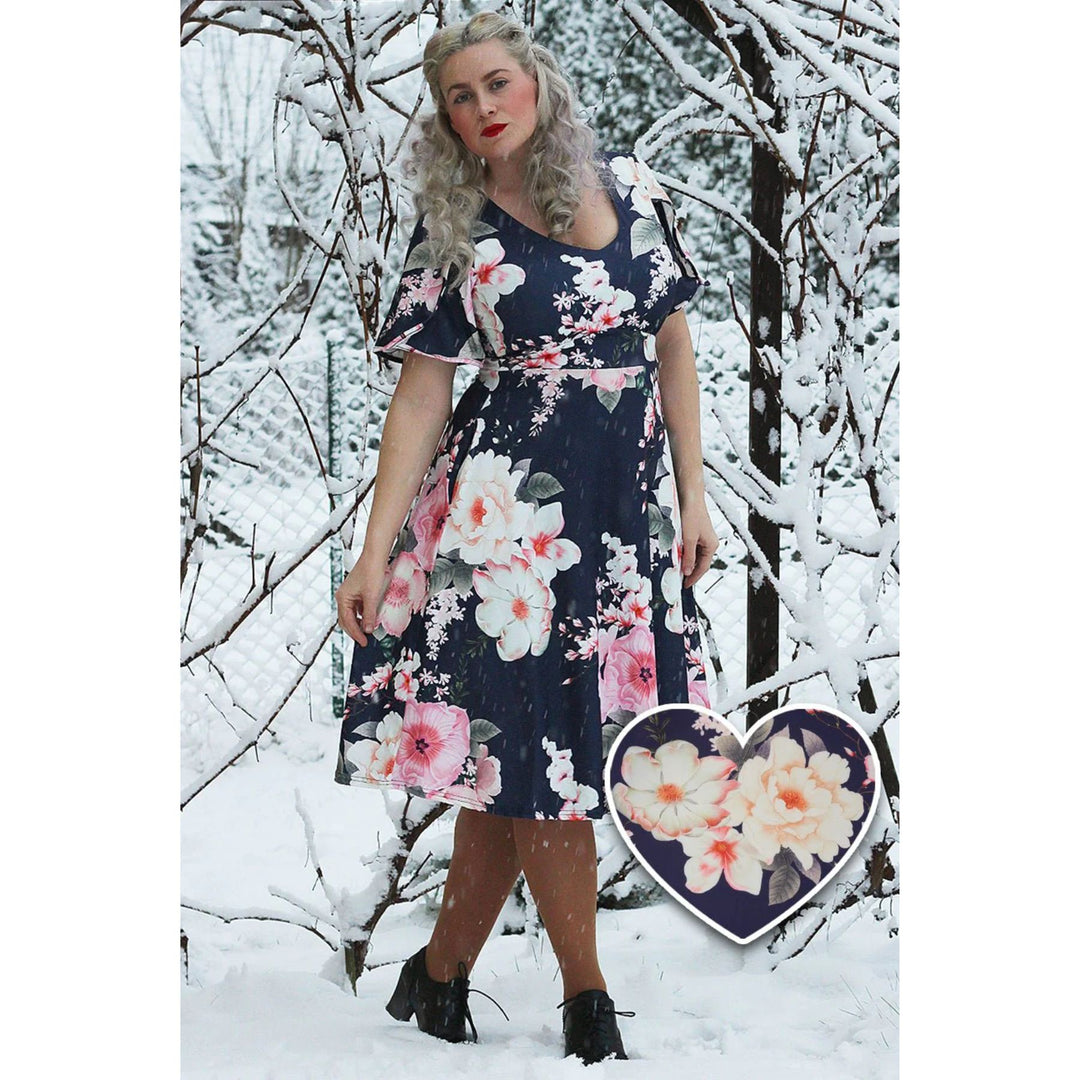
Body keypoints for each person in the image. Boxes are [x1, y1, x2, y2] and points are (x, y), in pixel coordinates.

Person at [333, 10, 718, 1065]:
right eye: (459, 97)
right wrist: (373, 554)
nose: (482, 108)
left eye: (496, 83)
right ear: (446, 122)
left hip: (624, 515)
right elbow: (419, 400)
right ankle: (587, 1000)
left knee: (518, 760)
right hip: (510, 524)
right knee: (537, 755)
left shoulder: (634, 188)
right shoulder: (456, 228)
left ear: (537, 83)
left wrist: (694, 495)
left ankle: (439, 976)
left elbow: (673, 345)